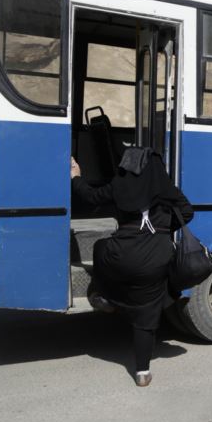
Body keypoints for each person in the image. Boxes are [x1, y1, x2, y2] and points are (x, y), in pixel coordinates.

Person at [69, 148, 193, 387]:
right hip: (155, 260)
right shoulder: (166, 189)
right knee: (146, 317)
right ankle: (142, 373)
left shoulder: (119, 185)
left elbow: (91, 197)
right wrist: (164, 229)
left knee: (100, 247)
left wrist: (76, 176)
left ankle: (103, 295)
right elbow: (188, 212)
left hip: (121, 255)